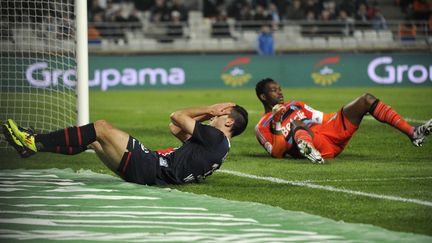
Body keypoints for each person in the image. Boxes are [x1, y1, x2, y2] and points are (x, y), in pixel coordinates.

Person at [3, 103, 248, 185]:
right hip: (151, 174)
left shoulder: (215, 137)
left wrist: (208, 108)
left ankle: (33, 141)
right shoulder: (218, 145)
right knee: (95, 142)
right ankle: (33, 145)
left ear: (229, 123)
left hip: (152, 167)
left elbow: (176, 116)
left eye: (220, 116)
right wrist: (208, 115)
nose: (215, 117)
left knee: (100, 128)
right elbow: (175, 129)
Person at [254, 78, 432, 164]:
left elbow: (325, 117)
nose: (280, 93)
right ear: (263, 96)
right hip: (315, 143)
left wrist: (354, 112)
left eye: (280, 89)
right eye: (273, 91)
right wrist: (277, 122)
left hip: (329, 133)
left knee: (366, 100)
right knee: (297, 126)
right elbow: (277, 153)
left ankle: (412, 132)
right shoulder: (262, 126)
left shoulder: (295, 105)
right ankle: (311, 152)